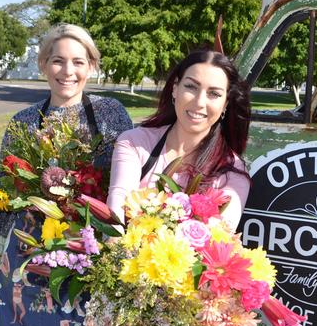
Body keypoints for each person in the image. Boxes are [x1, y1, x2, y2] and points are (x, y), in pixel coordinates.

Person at [0, 23, 133, 326]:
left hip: (90, 246)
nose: (68, 71)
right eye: (58, 60)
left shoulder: (109, 114)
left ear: (91, 66)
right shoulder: (24, 121)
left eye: (78, 62)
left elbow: (129, 178)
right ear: (43, 64)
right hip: (31, 250)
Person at [107, 50, 251, 231]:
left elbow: (217, 237)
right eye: (191, 87)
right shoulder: (135, 143)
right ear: (175, 88)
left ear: (226, 104)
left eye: (214, 93)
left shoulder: (232, 171)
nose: (199, 102)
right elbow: (116, 213)